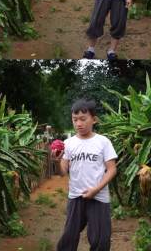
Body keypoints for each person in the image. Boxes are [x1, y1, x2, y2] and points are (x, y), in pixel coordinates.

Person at [52, 99, 117, 251]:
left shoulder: (103, 142)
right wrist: (56, 161)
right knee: (69, 237)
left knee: (101, 240)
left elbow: (112, 169)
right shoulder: (68, 144)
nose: (78, 124)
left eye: (83, 119)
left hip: (98, 197)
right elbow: (62, 172)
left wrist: (96, 189)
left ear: (93, 119)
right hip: (76, 196)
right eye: (75, 120)